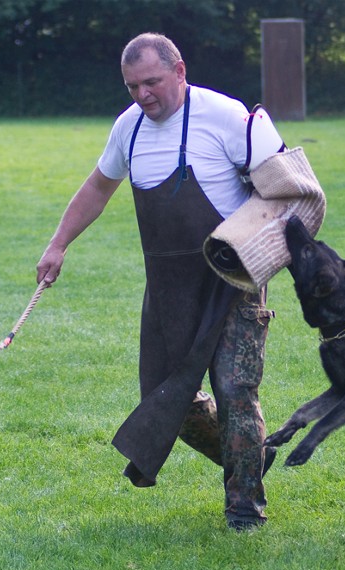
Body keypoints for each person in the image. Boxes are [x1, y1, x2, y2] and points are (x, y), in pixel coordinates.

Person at [36, 32, 276, 530]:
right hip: (169, 289)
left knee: (234, 391)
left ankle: (244, 509)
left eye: (151, 82)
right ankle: (248, 453)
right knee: (170, 400)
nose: (142, 95)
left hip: (232, 280)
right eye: (131, 87)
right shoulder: (129, 129)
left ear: (180, 70)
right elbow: (98, 188)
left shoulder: (227, 117)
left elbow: (283, 189)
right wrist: (58, 245)